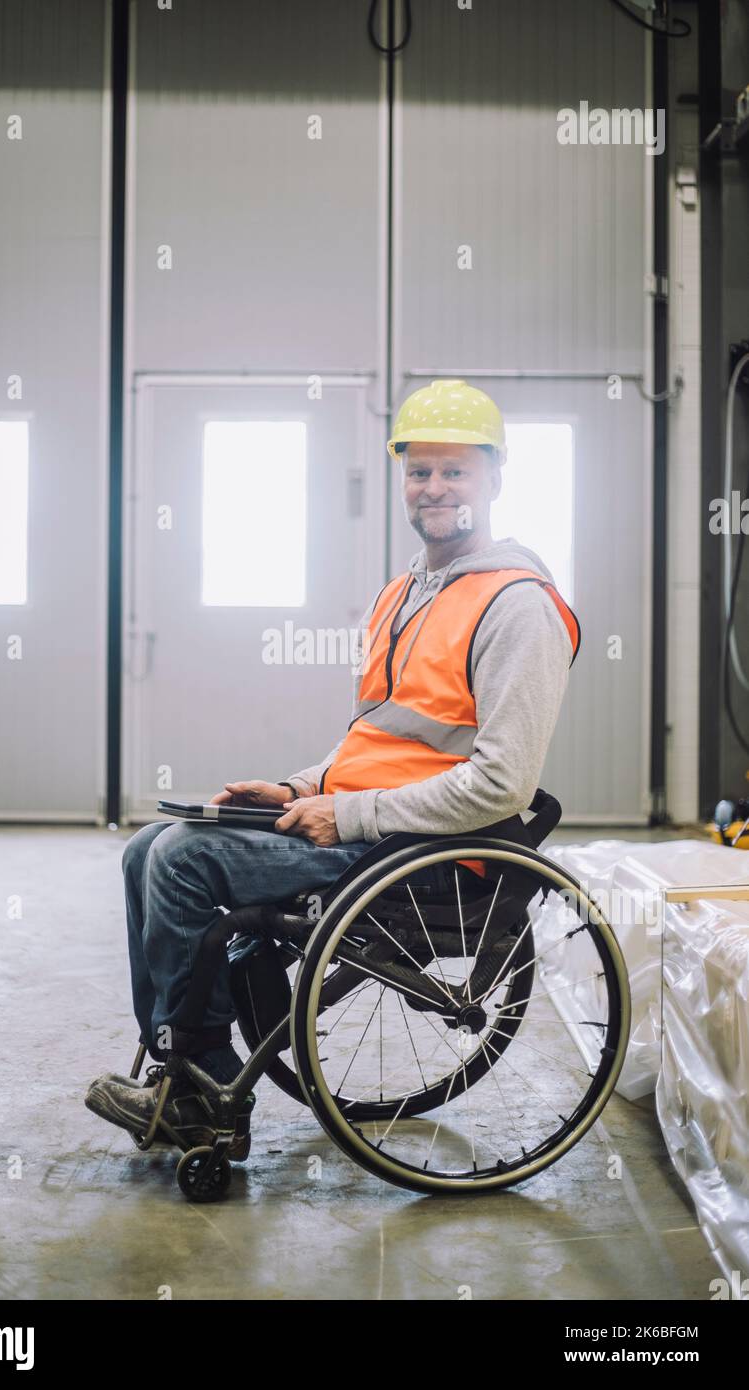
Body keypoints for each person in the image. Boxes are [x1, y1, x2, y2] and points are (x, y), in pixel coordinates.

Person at [85, 379, 580, 1156]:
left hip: (420, 850)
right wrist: (302, 786)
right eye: (420, 471)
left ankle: (204, 1087)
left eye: (455, 471)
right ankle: (177, 1061)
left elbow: (502, 783)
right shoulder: (403, 594)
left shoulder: (518, 605)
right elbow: (379, 734)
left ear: (494, 479)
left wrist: (347, 813)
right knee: (148, 845)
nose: (435, 488)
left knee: (182, 864)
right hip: (367, 823)